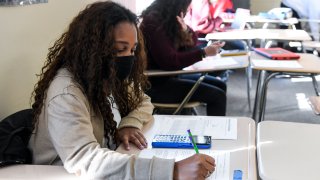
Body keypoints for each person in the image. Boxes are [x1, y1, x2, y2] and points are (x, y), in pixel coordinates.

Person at [28, 1, 215, 179]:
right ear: (93, 48)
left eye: (132, 50)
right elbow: (85, 159)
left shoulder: (106, 76)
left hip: (107, 164)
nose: (127, 58)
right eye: (119, 50)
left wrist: (129, 124)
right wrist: (172, 171)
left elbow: (143, 101)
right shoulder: (67, 92)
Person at [140, 0, 227, 116]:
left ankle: (213, 130)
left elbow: (192, 44)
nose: (186, 11)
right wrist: (203, 53)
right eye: (186, 6)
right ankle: (215, 133)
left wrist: (185, 29)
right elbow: (170, 61)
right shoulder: (153, 23)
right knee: (218, 96)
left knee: (220, 85)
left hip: (167, 77)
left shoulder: (168, 20)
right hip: (155, 85)